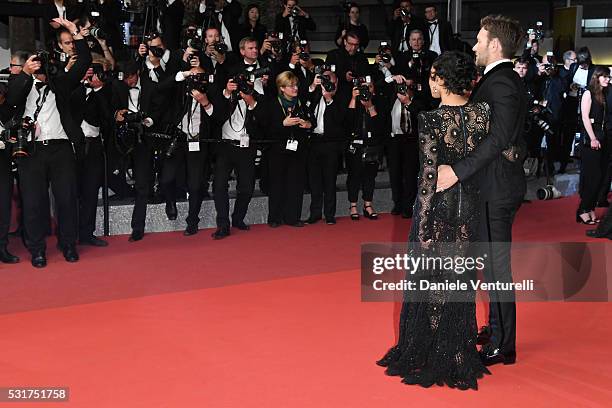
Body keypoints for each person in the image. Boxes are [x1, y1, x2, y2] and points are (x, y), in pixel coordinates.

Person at [377, 51, 491, 390]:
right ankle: (456, 350)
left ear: (441, 80)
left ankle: (431, 351)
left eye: (432, 76)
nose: (430, 81)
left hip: (438, 210)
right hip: (470, 209)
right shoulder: (483, 113)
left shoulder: (431, 119)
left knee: (431, 280)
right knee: (459, 279)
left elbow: (428, 181)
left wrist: (422, 226)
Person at [436, 15, 528, 367]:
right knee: (490, 265)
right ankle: (496, 329)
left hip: (496, 188)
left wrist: (457, 172)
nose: (473, 45)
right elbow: (512, 135)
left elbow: (500, 137)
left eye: (478, 39)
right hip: (495, 184)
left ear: (494, 45)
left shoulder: (502, 82)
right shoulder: (500, 79)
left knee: (496, 268)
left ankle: (504, 345)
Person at [7, 17, 92, 268]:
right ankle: (37, 250)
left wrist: (75, 32)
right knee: (34, 203)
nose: (42, 68)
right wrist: (24, 73)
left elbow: (84, 62)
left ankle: (68, 245)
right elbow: (10, 101)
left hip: (61, 149)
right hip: (31, 151)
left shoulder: (61, 84)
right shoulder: (21, 86)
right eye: (37, 64)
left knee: (66, 199)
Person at [265, 71, 314, 228]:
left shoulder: (302, 102)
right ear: (282, 88)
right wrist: (282, 124)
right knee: (277, 184)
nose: (295, 89)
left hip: (298, 149)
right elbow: (265, 128)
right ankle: (274, 218)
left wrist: (308, 125)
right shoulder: (272, 104)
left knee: (296, 184)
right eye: (291, 86)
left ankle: (293, 217)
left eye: (296, 85)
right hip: (277, 150)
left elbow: (312, 119)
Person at [305, 70, 345, 225]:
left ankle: (329, 214)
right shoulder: (315, 95)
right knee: (314, 181)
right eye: (325, 80)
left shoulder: (341, 99)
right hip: (314, 143)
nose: (328, 84)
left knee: (329, 181)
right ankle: (315, 214)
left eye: (331, 81)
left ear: (337, 83)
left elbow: (340, 120)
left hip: (331, 145)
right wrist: (312, 87)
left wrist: (329, 100)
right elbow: (304, 103)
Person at [576, 67, 610, 224]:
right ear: (597, 77)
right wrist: (592, 138)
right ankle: (583, 209)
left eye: (608, 77)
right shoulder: (588, 93)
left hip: (601, 138)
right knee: (593, 177)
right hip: (591, 141)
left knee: (600, 177)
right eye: (604, 77)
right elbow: (584, 117)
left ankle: (590, 209)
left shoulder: (603, 94)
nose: (607, 79)